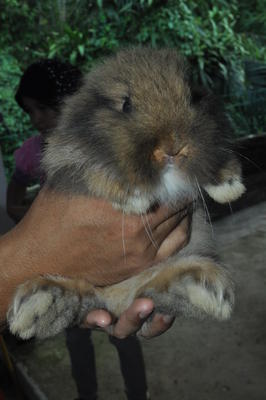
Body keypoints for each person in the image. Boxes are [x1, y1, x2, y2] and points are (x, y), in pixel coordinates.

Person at [2, 59, 191, 400]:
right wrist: (34, 227)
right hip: (63, 275)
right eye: (30, 111)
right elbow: (13, 200)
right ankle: (86, 394)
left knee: (125, 333)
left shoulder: (109, 143)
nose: (36, 119)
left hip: (116, 267)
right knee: (76, 337)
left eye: (44, 108)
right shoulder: (32, 154)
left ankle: (138, 393)